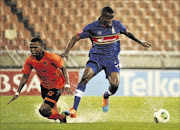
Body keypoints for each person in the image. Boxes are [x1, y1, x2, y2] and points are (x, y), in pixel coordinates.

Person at [60, 6, 151, 118]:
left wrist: (140, 42)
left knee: (115, 84)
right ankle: (74, 109)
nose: (110, 21)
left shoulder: (117, 25)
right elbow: (75, 38)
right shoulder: (92, 27)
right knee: (85, 77)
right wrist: (66, 52)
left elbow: (128, 33)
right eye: (108, 19)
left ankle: (106, 96)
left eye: (111, 18)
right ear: (102, 17)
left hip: (112, 60)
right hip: (96, 58)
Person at [7, 38, 71, 123]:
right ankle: (60, 116)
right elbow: (25, 76)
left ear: (41, 47)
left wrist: (67, 84)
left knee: (43, 110)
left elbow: (64, 68)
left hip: (57, 85)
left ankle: (61, 117)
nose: (32, 50)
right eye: (31, 47)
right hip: (44, 86)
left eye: (35, 47)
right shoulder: (30, 60)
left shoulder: (51, 57)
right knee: (50, 111)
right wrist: (17, 92)